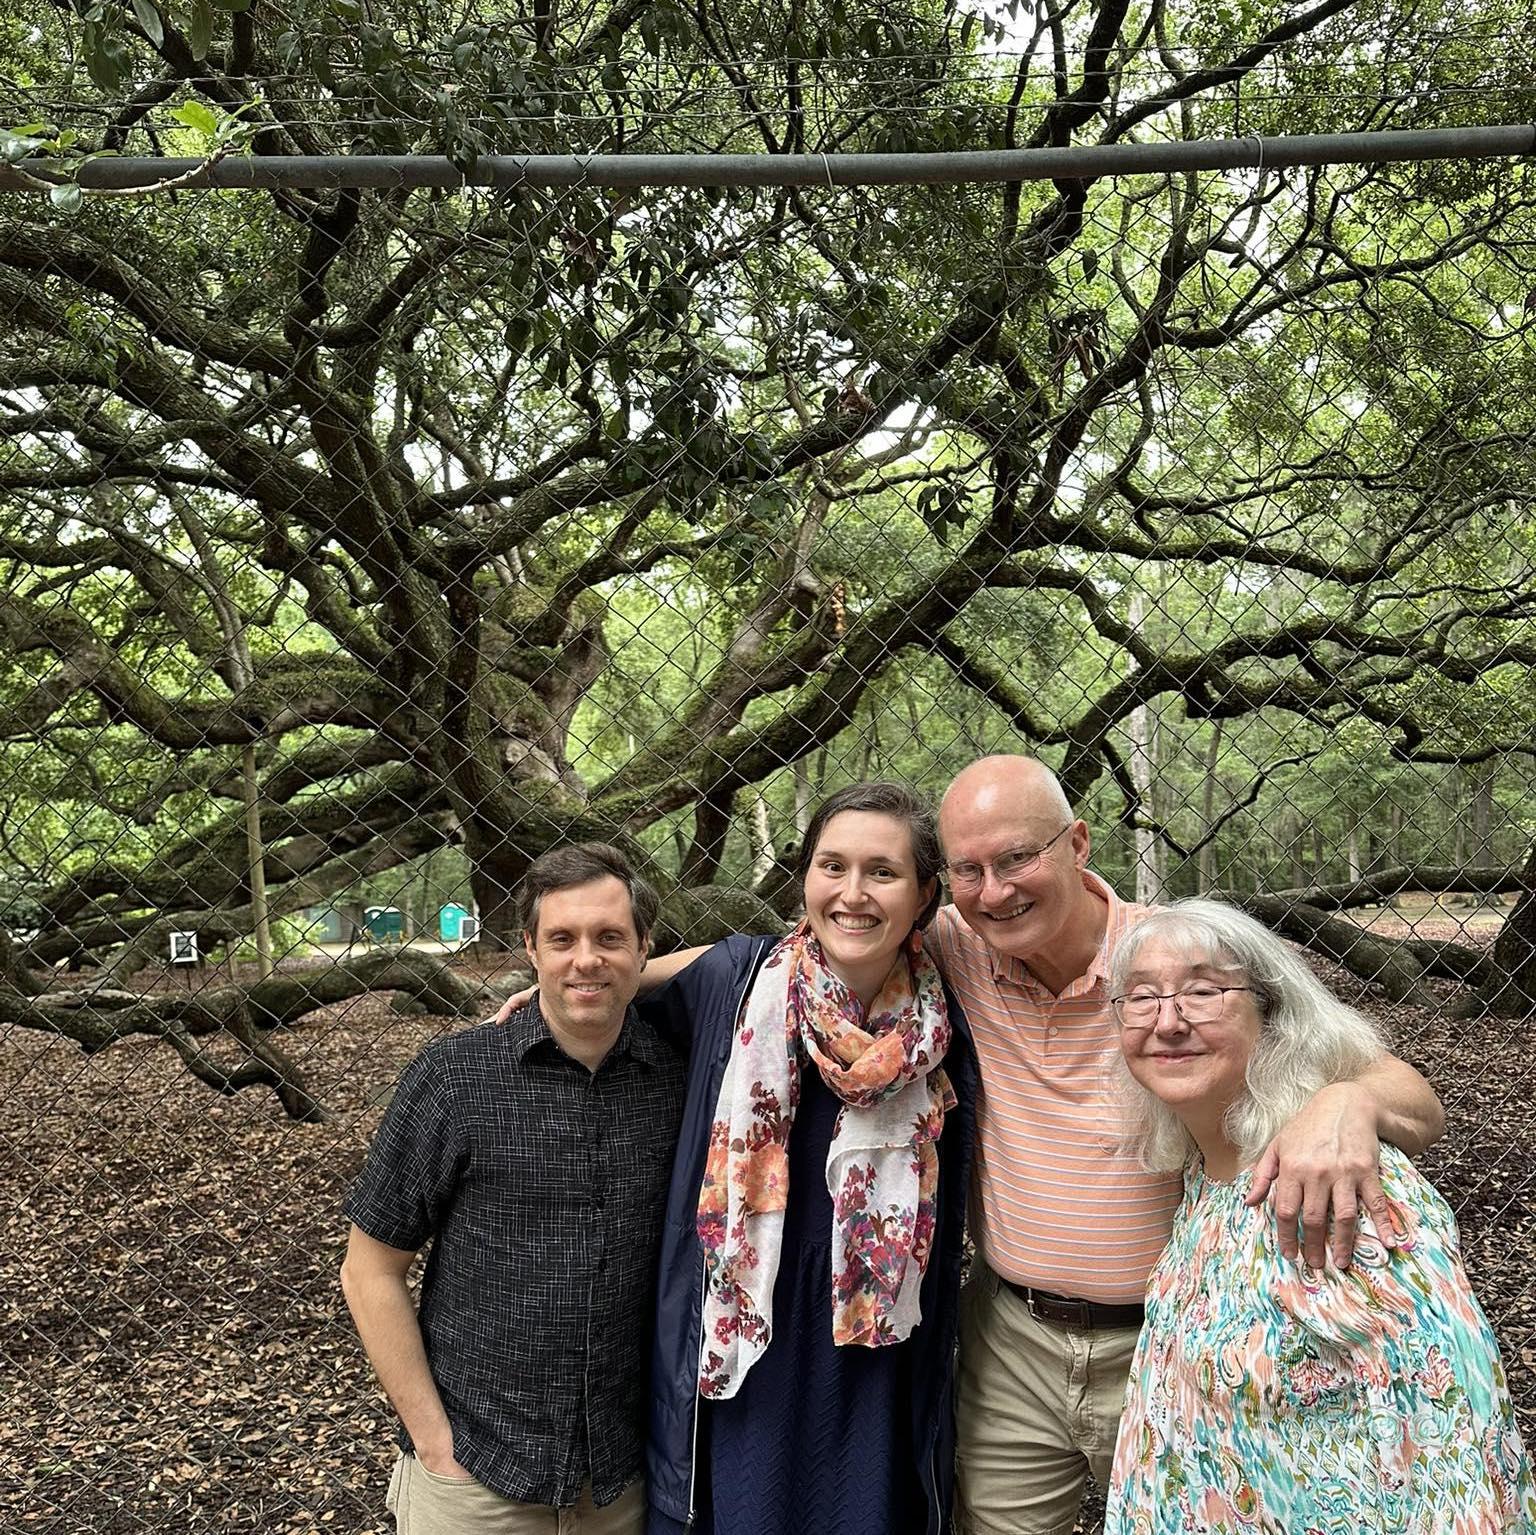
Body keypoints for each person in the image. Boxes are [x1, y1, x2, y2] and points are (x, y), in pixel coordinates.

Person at [932, 754, 1445, 1535]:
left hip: (1177, 1338)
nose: (994, 890)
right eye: (967, 869)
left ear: (1077, 844)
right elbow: (794, 949)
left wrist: (1348, 1098)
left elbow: (1411, 1093)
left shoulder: (1177, 958)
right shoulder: (954, 946)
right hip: (1012, 1341)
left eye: (1016, 857)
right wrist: (670, 969)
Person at [1103, 898, 1536, 1532]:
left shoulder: (1335, 1187)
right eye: (1141, 998)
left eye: (1202, 991)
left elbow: (1451, 1431)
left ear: (1271, 1017)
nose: (1167, 1021)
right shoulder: (1210, 1171)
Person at [645, 781, 978, 1535]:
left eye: (882, 872)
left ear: (926, 893)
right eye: (832, 865)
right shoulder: (738, 983)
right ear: (805, 878)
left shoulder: (947, 1018)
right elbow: (621, 992)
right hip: (751, 1329)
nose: (852, 893)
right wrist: (557, 986)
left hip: (879, 1341)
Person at [340, 843, 685, 1535]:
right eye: (562, 938)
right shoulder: (455, 1077)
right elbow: (369, 1269)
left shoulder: (680, 1080)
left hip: (619, 1485)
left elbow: (769, 954)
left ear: (645, 947)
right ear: (530, 947)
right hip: (474, 1480)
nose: (585, 958)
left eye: (610, 937)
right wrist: (437, 1447)